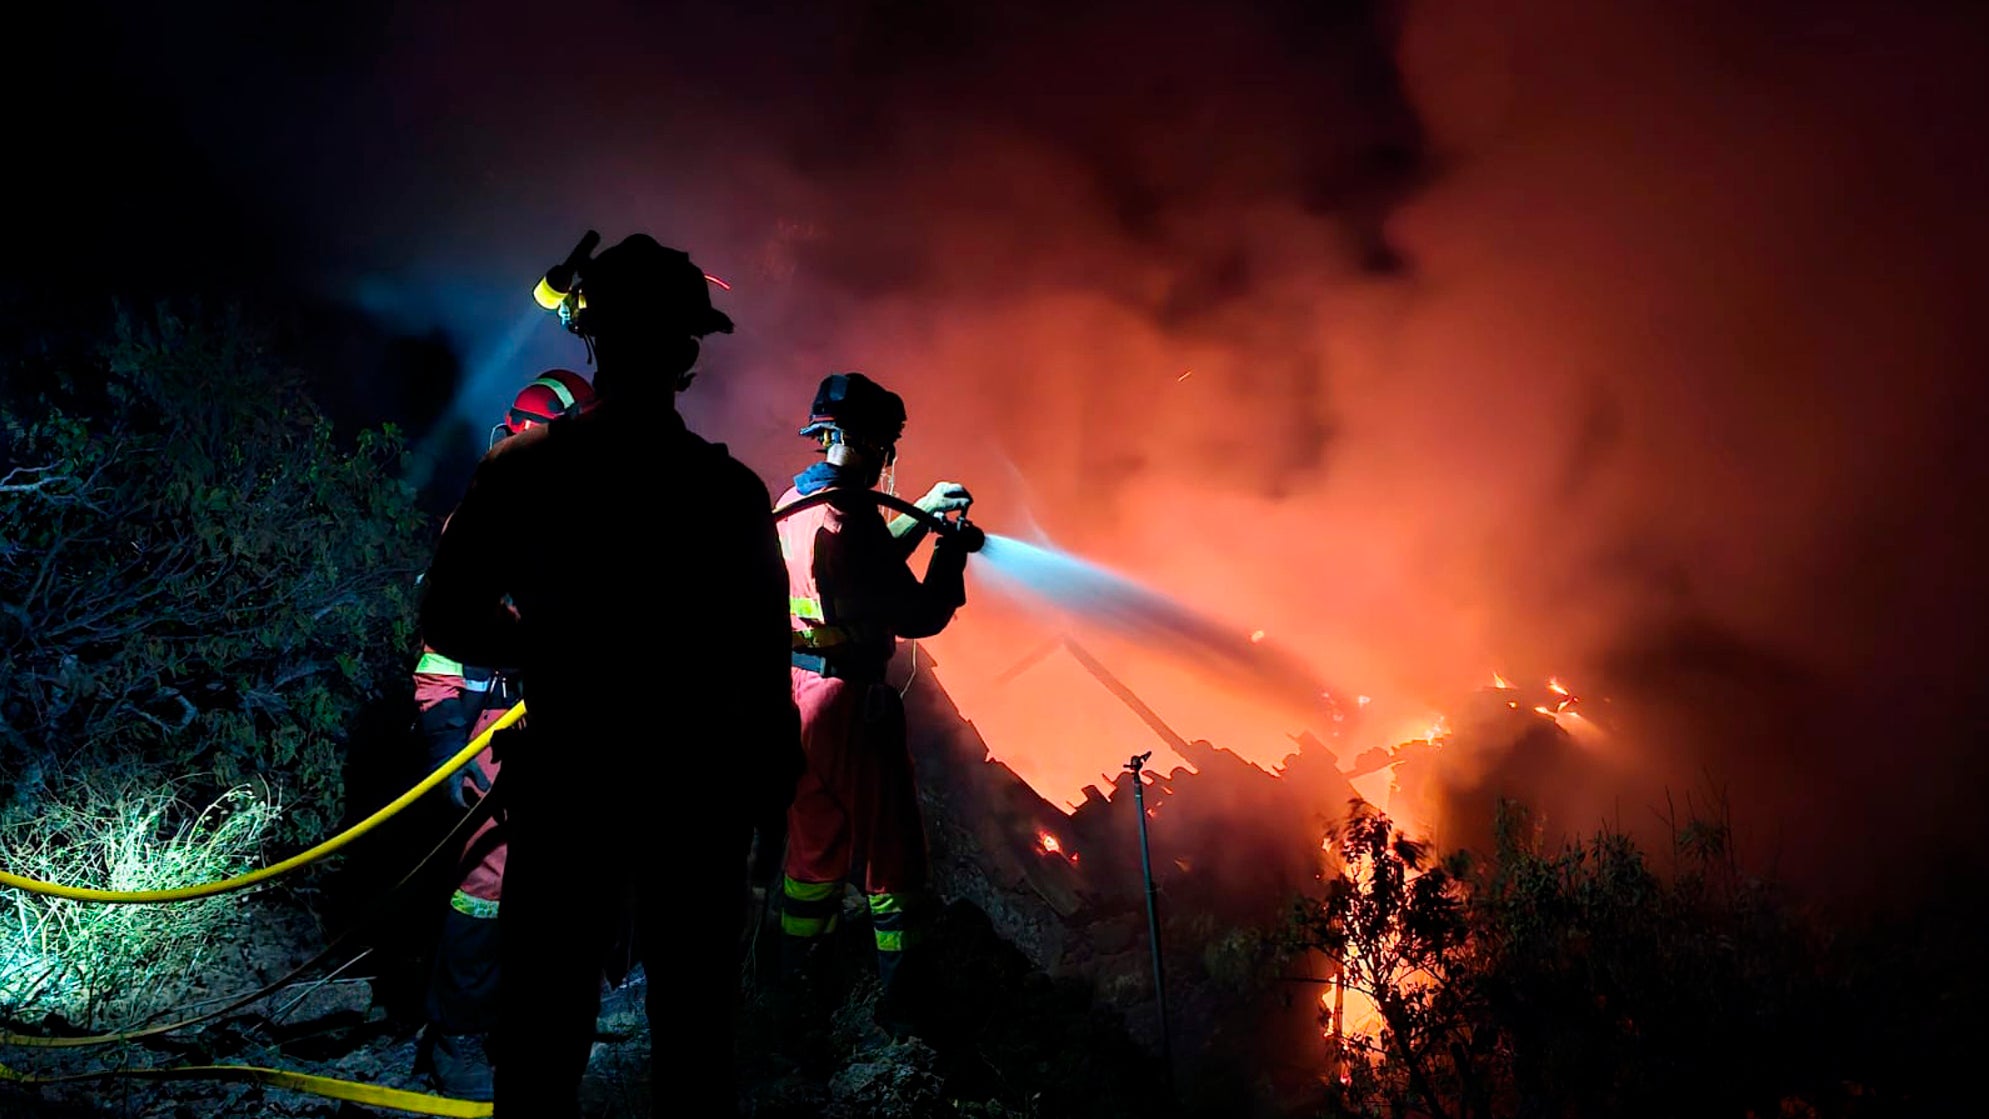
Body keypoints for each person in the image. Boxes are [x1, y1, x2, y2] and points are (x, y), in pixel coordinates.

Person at [418, 232, 801, 1117]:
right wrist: (770, 805)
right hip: (696, 800)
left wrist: (547, 646)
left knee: (541, 1039)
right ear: (687, 351)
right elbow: (766, 674)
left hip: (568, 787)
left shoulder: (524, 470)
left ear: (591, 337)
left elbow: (449, 618)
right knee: (695, 1042)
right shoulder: (731, 494)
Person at [409, 369, 595, 1100]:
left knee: (568, 878)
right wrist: (446, 742)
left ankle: (539, 1018)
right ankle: (454, 1032)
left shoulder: (595, 518)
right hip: (497, 725)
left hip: (577, 723)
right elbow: (441, 651)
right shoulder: (483, 520)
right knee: (486, 881)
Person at [772, 371, 975, 1039]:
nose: (888, 458)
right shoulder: (852, 518)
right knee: (894, 857)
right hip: (853, 707)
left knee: (813, 854)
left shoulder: (795, 503)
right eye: (887, 446)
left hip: (799, 697)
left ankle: (795, 998)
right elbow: (915, 613)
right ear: (869, 442)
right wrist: (949, 551)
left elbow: (862, 575)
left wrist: (920, 508)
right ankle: (907, 1011)